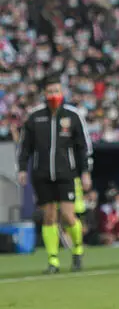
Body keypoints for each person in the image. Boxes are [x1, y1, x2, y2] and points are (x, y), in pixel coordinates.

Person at [16, 74, 93, 274]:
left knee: (68, 216)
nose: (53, 95)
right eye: (50, 91)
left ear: (62, 92)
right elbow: (25, 147)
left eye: (56, 91)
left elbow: (83, 147)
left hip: (66, 173)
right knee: (49, 216)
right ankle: (53, 260)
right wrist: (22, 168)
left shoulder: (72, 116)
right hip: (42, 174)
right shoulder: (34, 117)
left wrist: (85, 172)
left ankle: (77, 250)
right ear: (44, 93)